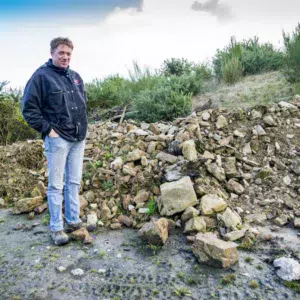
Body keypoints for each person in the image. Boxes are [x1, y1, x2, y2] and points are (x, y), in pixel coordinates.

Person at [22, 37, 88, 245]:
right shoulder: (41, 77)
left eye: (68, 54)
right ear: (52, 53)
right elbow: (29, 109)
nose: (65, 57)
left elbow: (82, 104)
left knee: (74, 181)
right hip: (58, 139)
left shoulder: (75, 77)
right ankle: (57, 228)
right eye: (61, 53)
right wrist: (48, 131)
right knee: (56, 185)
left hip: (78, 138)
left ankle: (73, 220)